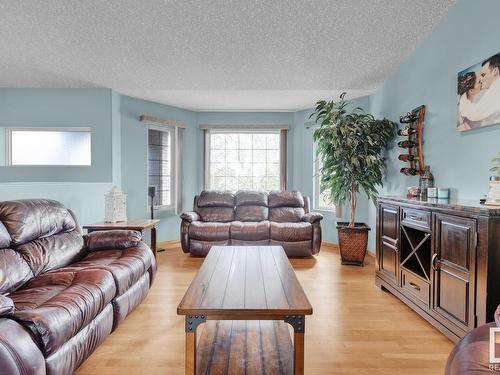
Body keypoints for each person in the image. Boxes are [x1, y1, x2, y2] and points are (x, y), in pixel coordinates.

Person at [459, 53, 500, 126]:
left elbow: (475, 113)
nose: (481, 79)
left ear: (495, 71)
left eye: (483, 74)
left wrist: (463, 98)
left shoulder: (496, 88)